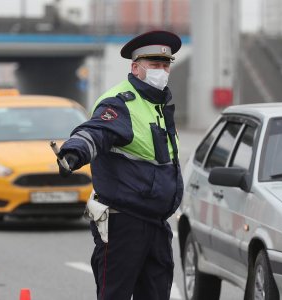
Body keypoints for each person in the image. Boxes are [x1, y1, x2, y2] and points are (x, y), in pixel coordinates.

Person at [56, 30, 183, 300]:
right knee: (114, 295)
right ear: (135, 68)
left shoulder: (158, 105)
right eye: (154, 65)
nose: (162, 71)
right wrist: (74, 152)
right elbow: (95, 132)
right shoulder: (120, 102)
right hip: (123, 222)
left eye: (165, 65)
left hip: (157, 223)